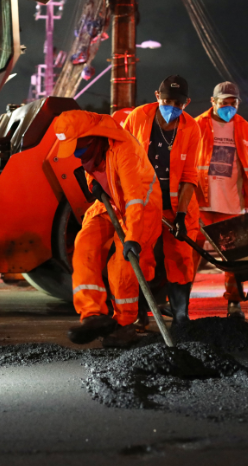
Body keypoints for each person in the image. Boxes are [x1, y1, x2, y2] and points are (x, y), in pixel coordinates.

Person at [54, 110, 162, 347]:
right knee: (84, 245)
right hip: (110, 203)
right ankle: (92, 315)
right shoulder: (92, 147)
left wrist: (132, 237)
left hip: (141, 208)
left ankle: (124, 326)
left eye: (78, 146)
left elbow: (134, 198)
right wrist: (94, 185)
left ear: (93, 137)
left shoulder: (125, 150)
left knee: (122, 267)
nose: (76, 153)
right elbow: (93, 169)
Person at [122, 75, 200, 324]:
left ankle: (180, 314)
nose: (172, 109)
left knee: (181, 257)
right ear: (157, 97)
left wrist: (181, 216)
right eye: (167, 102)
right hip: (143, 203)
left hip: (177, 206)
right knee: (142, 255)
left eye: (177, 105)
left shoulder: (191, 128)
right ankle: (141, 314)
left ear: (186, 103)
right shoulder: (137, 117)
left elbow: (189, 176)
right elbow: (120, 153)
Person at [193, 82, 248, 319]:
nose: (229, 107)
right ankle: (178, 302)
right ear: (213, 102)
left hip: (230, 205)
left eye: (233, 103)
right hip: (200, 202)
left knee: (233, 257)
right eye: (224, 103)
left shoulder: (244, 128)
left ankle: (234, 303)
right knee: (187, 256)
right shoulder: (196, 125)